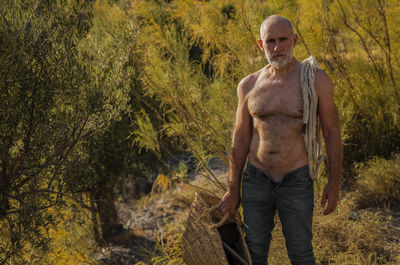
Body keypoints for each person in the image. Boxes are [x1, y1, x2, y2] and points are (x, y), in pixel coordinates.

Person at [217, 15, 342, 265]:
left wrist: (334, 183)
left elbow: (332, 132)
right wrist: (233, 189)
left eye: (283, 40)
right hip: (256, 179)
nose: (277, 47)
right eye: (270, 41)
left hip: (296, 179)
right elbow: (239, 139)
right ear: (261, 45)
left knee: (301, 253)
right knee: (252, 254)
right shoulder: (249, 85)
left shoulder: (316, 81)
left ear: (294, 40)